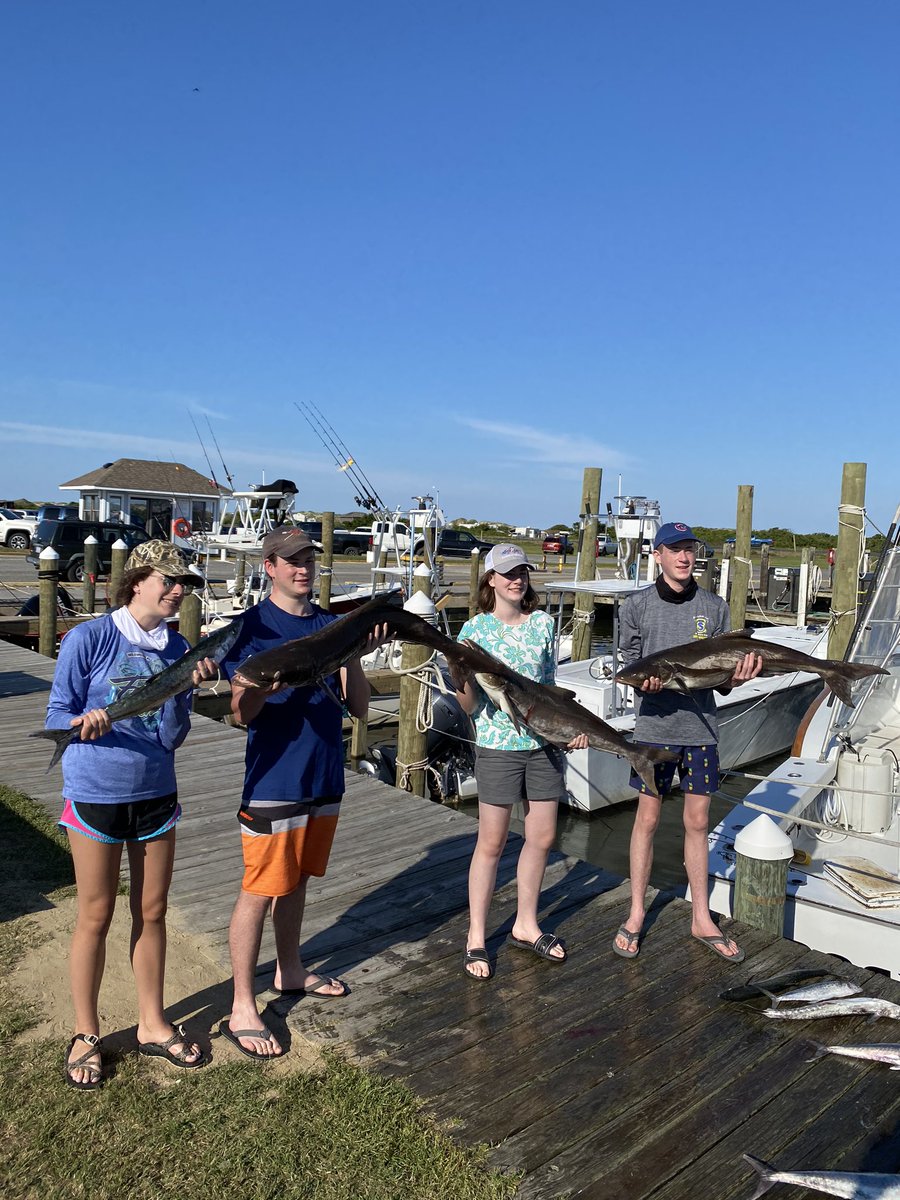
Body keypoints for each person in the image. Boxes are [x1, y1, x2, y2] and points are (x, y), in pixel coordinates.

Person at [46, 540, 218, 1089]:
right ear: (136, 580)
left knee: (152, 911)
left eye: (183, 583)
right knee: (94, 914)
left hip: (155, 795)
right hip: (95, 792)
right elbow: (57, 711)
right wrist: (81, 723)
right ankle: (86, 1031)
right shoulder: (89, 637)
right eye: (167, 580)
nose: (177, 591)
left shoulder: (181, 650)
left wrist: (181, 695)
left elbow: (171, 739)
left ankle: (151, 1021)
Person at [218, 528, 384, 1059]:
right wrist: (264, 693)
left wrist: (354, 653)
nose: (303, 568)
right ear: (269, 566)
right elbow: (239, 714)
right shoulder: (250, 628)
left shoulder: (328, 624)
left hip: (323, 775)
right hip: (275, 781)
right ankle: (243, 1003)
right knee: (259, 888)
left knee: (296, 882)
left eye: (309, 558)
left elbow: (358, 709)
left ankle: (290, 969)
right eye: (292, 561)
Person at [612, 522, 762, 964]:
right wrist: (647, 685)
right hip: (653, 733)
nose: (684, 557)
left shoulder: (714, 607)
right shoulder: (635, 605)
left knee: (698, 824)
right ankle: (637, 911)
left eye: (690, 550)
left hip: (702, 733)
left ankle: (701, 916)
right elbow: (629, 665)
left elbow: (723, 685)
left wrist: (738, 677)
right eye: (674, 549)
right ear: (657, 554)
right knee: (647, 821)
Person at [456, 543, 588, 981]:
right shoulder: (474, 631)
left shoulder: (544, 624)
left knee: (543, 836)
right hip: (497, 744)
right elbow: (470, 704)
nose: (517, 579)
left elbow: (551, 687)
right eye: (508, 573)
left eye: (523, 572)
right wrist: (457, 679)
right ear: (490, 579)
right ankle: (476, 935)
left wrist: (571, 730)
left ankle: (526, 924)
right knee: (491, 842)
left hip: (544, 744)